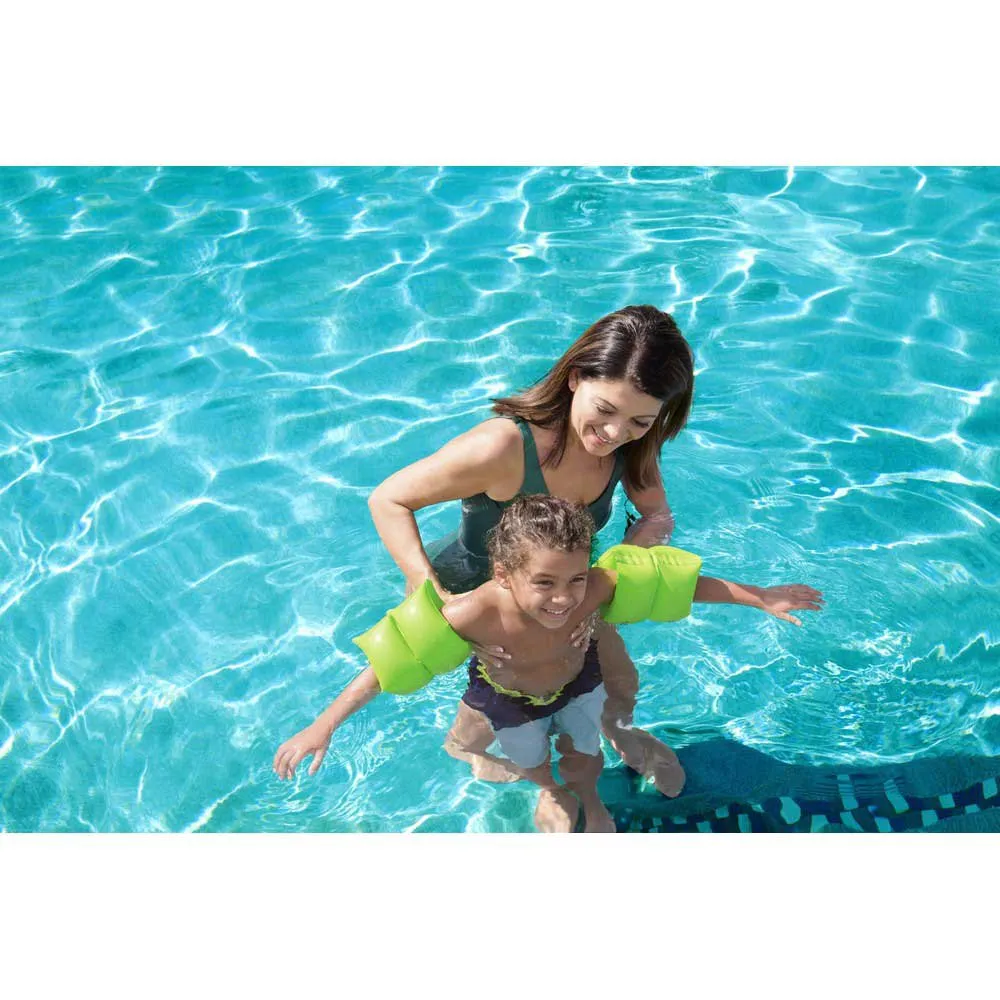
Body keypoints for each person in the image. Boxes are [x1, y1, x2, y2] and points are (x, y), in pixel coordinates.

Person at [273, 495, 825, 833]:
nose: (563, 598)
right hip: (508, 699)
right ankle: (550, 790)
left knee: (584, 749)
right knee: (529, 758)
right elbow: (394, 661)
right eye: (544, 582)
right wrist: (323, 725)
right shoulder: (471, 613)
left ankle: (590, 796)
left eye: (574, 578)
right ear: (503, 574)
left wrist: (759, 596)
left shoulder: (595, 587)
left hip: (577, 681)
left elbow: (677, 586)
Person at [366, 304, 696, 795]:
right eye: (605, 410)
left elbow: (657, 517)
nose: (614, 433)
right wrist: (432, 595)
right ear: (576, 378)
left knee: (619, 673)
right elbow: (389, 499)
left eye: (640, 421)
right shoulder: (503, 448)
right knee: (506, 689)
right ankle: (465, 749)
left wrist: (613, 577)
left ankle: (619, 729)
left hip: (560, 589)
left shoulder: (630, 448)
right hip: (475, 588)